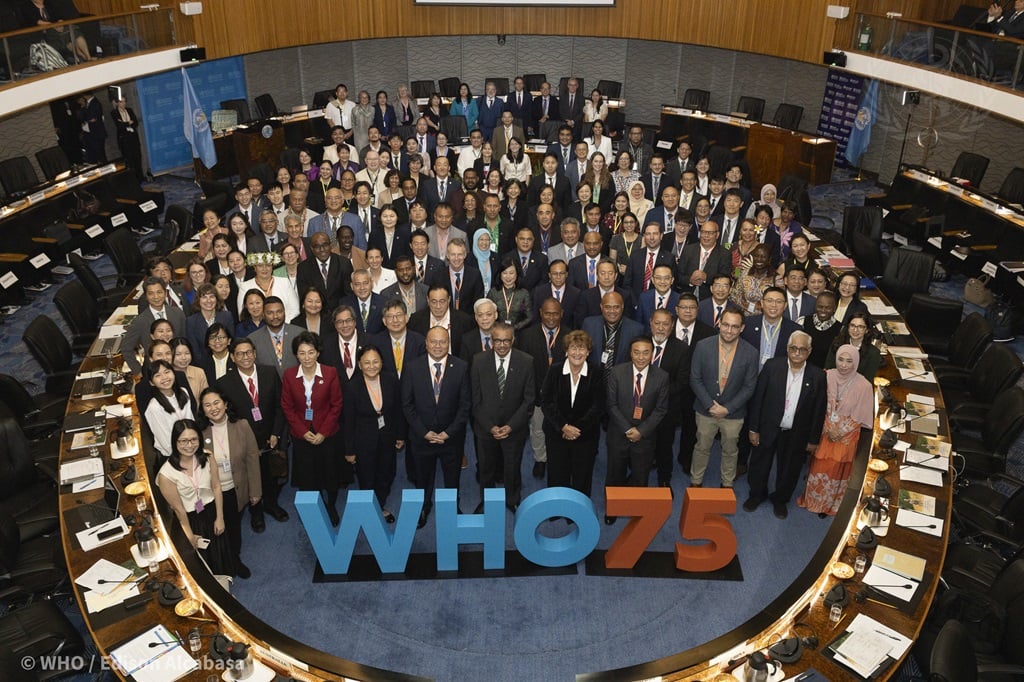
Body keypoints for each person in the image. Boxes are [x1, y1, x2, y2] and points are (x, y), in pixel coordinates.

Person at [744, 331, 827, 519]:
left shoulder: (817, 376)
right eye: (793, 348)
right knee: (759, 464)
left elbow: (819, 410)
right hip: (768, 427)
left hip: (796, 432)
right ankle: (756, 495)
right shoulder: (772, 366)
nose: (797, 353)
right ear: (787, 348)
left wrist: (813, 440)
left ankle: (780, 499)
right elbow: (758, 399)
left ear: (809, 351)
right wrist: (753, 428)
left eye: (802, 349)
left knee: (790, 468)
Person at [401, 326, 472, 529]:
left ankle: (452, 507)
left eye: (443, 342)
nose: (438, 346)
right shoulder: (412, 367)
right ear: (426, 343)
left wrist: (449, 432)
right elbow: (407, 404)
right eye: (433, 341)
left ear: (448, 343)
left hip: (451, 437)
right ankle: (424, 506)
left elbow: (465, 405)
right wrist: (424, 432)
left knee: (452, 477)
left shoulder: (461, 367)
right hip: (422, 437)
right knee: (422, 476)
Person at [214, 337, 288, 529]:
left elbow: (280, 406)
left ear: (254, 354)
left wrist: (276, 433)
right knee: (250, 477)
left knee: (271, 475)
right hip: (245, 440)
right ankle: (256, 513)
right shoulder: (224, 383)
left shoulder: (269, 373)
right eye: (239, 354)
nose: (245, 357)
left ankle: (271, 504)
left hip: (270, 437)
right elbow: (228, 416)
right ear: (233, 357)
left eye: (248, 352)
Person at [798, 345, 874, 517]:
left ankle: (829, 505)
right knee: (818, 467)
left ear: (856, 362)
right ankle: (812, 501)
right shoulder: (826, 376)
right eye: (841, 359)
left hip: (846, 435)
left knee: (836, 470)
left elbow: (860, 415)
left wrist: (841, 431)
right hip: (825, 430)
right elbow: (817, 405)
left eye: (849, 361)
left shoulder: (864, 386)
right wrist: (828, 428)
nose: (844, 365)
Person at [689, 309, 759, 488]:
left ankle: (727, 484)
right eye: (726, 324)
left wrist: (727, 409)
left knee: (730, 450)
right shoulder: (702, 346)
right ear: (719, 323)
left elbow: (749, 387)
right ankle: (696, 481)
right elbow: (695, 379)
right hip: (706, 410)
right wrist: (709, 405)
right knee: (701, 447)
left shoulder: (751, 353)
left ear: (742, 328)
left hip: (733, 413)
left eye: (735, 326)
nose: (729, 330)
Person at [470, 321, 535, 512]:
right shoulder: (478, 361)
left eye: (506, 341)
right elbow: (475, 399)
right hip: (485, 428)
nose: (502, 345)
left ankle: (512, 498)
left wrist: (511, 426)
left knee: (512, 466)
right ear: (491, 340)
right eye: (497, 340)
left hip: (514, 428)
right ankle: (487, 501)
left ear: (513, 340)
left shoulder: (526, 361)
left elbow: (529, 400)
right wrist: (490, 427)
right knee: (486, 467)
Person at [282, 331, 344, 526]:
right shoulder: (290, 375)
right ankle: (312, 510)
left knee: (330, 474)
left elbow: (336, 405)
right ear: (296, 354)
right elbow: (287, 407)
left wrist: (323, 432)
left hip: (327, 433)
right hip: (302, 435)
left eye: (311, 352)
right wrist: (302, 432)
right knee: (307, 476)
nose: (307, 357)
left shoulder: (330, 373)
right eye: (302, 353)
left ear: (318, 352)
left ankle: (331, 505)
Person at [604, 336, 669, 522]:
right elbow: (611, 405)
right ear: (630, 353)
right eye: (637, 352)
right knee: (615, 473)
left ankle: (636, 509)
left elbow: (661, 409)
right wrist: (627, 429)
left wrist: (641, 431)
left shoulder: (662, 376)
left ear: (652, 354)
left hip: (645, 436)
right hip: (619, 433)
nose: (641, 357)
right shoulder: (616, 372)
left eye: (646, 353)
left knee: (641, 475)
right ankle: (612, 509)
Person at [198, 387, 261, 578]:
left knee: (233, 527)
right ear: (203, 410)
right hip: (210, 493)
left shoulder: (242, 426)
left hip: (235, 489)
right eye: (207, 405)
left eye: (216, 403)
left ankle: (235, 560)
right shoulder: (199, 433)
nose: (213, 408)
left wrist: (255, 491)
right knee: (214, 529)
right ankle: (220, 564)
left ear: (225, 404)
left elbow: (252, 458)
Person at [156, 419, 232, 574]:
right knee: (202, 561)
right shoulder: (166, 474)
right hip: (190, 519)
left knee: (219, 549)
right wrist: (189, 535)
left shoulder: (207, 457)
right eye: (183, 441)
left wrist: (220, 517)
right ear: (175, 442)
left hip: (211, 510)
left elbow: (216, 487)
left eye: (193, 439)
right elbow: (179, 510)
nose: (189, 445)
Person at [344, 345, 404, 523]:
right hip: (363, 440)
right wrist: (349, 450)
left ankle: (380, 504)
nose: (372, 366)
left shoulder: (390, 380)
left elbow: (398, 410)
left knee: (387, 473)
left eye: (375, 362)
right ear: (360, 365)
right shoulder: (352, 386)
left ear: (382, 362)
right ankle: (369, 510)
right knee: (367, 476)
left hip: (387, 436)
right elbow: (348, 421)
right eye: (367, 362)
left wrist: (400, 435)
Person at [541, 330, 604, 498]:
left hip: (585, 435)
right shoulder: (554, 370)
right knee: (557, 474)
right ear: (566, 351)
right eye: (573, 348)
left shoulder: (596, 373)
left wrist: (576, 429)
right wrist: (564, 427)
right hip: (557, 433)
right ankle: (558, 506)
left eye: (582, 348)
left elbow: (598, 406)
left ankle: (579, 509)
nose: (577, 353)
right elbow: (546, 402)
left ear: (588, 352)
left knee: (582, 476)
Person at [123, 277, 187, 376]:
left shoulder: (177, 313)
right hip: (154, 371)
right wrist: (138, 371)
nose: (156, 297)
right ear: (146, 296)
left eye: (159, 292)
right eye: (151, 293)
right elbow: (126, 348)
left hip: (179, 367)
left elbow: (185, 339)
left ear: (165, 293)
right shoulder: (140, 321)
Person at [144, 360, 196, 463]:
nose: (164, 377)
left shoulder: (183, 392)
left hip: (192, 449)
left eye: (167, 372)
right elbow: (165, 441)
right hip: (173, 456)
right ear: (151, 382)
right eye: (158, 375)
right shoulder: (154, 407)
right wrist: (184, 455)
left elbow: (191, 422)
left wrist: (194, 446)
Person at [296, 231, 352, 312]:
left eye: (325, 245)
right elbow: (304, 297)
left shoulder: (344, 264)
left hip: (340, 313)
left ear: (330, 245)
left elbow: (349, 295)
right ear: (312, 248)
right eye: (317, 246)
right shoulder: (303, 268)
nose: (322, 250)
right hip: (315, 313)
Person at [825, 312, 882, 381]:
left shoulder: (873, 353)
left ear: (867, 330)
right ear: (848, 327)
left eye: (860, 327)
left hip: (859, 386)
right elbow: (829, 369)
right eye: (852, 325)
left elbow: (867, 380)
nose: (855, 330)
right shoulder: (837, 344)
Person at [488, 255, 534, 330]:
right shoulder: (493, 292)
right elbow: (488, 314)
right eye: (505, 273)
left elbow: (529, 317)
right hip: (497, 331)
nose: (508, 276)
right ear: (500, 274)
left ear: (517, 274)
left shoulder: (524, 293)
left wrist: (514, 328)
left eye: (511, 273)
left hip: (518, 332)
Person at [731, 244, 774, 315]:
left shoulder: (776, 279)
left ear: (769, 259)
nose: (759, 259)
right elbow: (735, 297)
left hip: (765, 317)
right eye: (756, 256)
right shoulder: (744, 273)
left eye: (763, 257)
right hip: (743, 315)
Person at [111, 97, 144, 181]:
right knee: (128, 159)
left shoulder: (129, 110)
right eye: (121, 102)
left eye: (125, 101)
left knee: (137, 157)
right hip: (124, 139)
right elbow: (119, 126)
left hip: (133, 137)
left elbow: (135, 122)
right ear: (117, 103)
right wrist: (128, 123)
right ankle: (133, 179)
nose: (124, 103)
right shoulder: (114, 112)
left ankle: (140, 176)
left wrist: (125, 123)